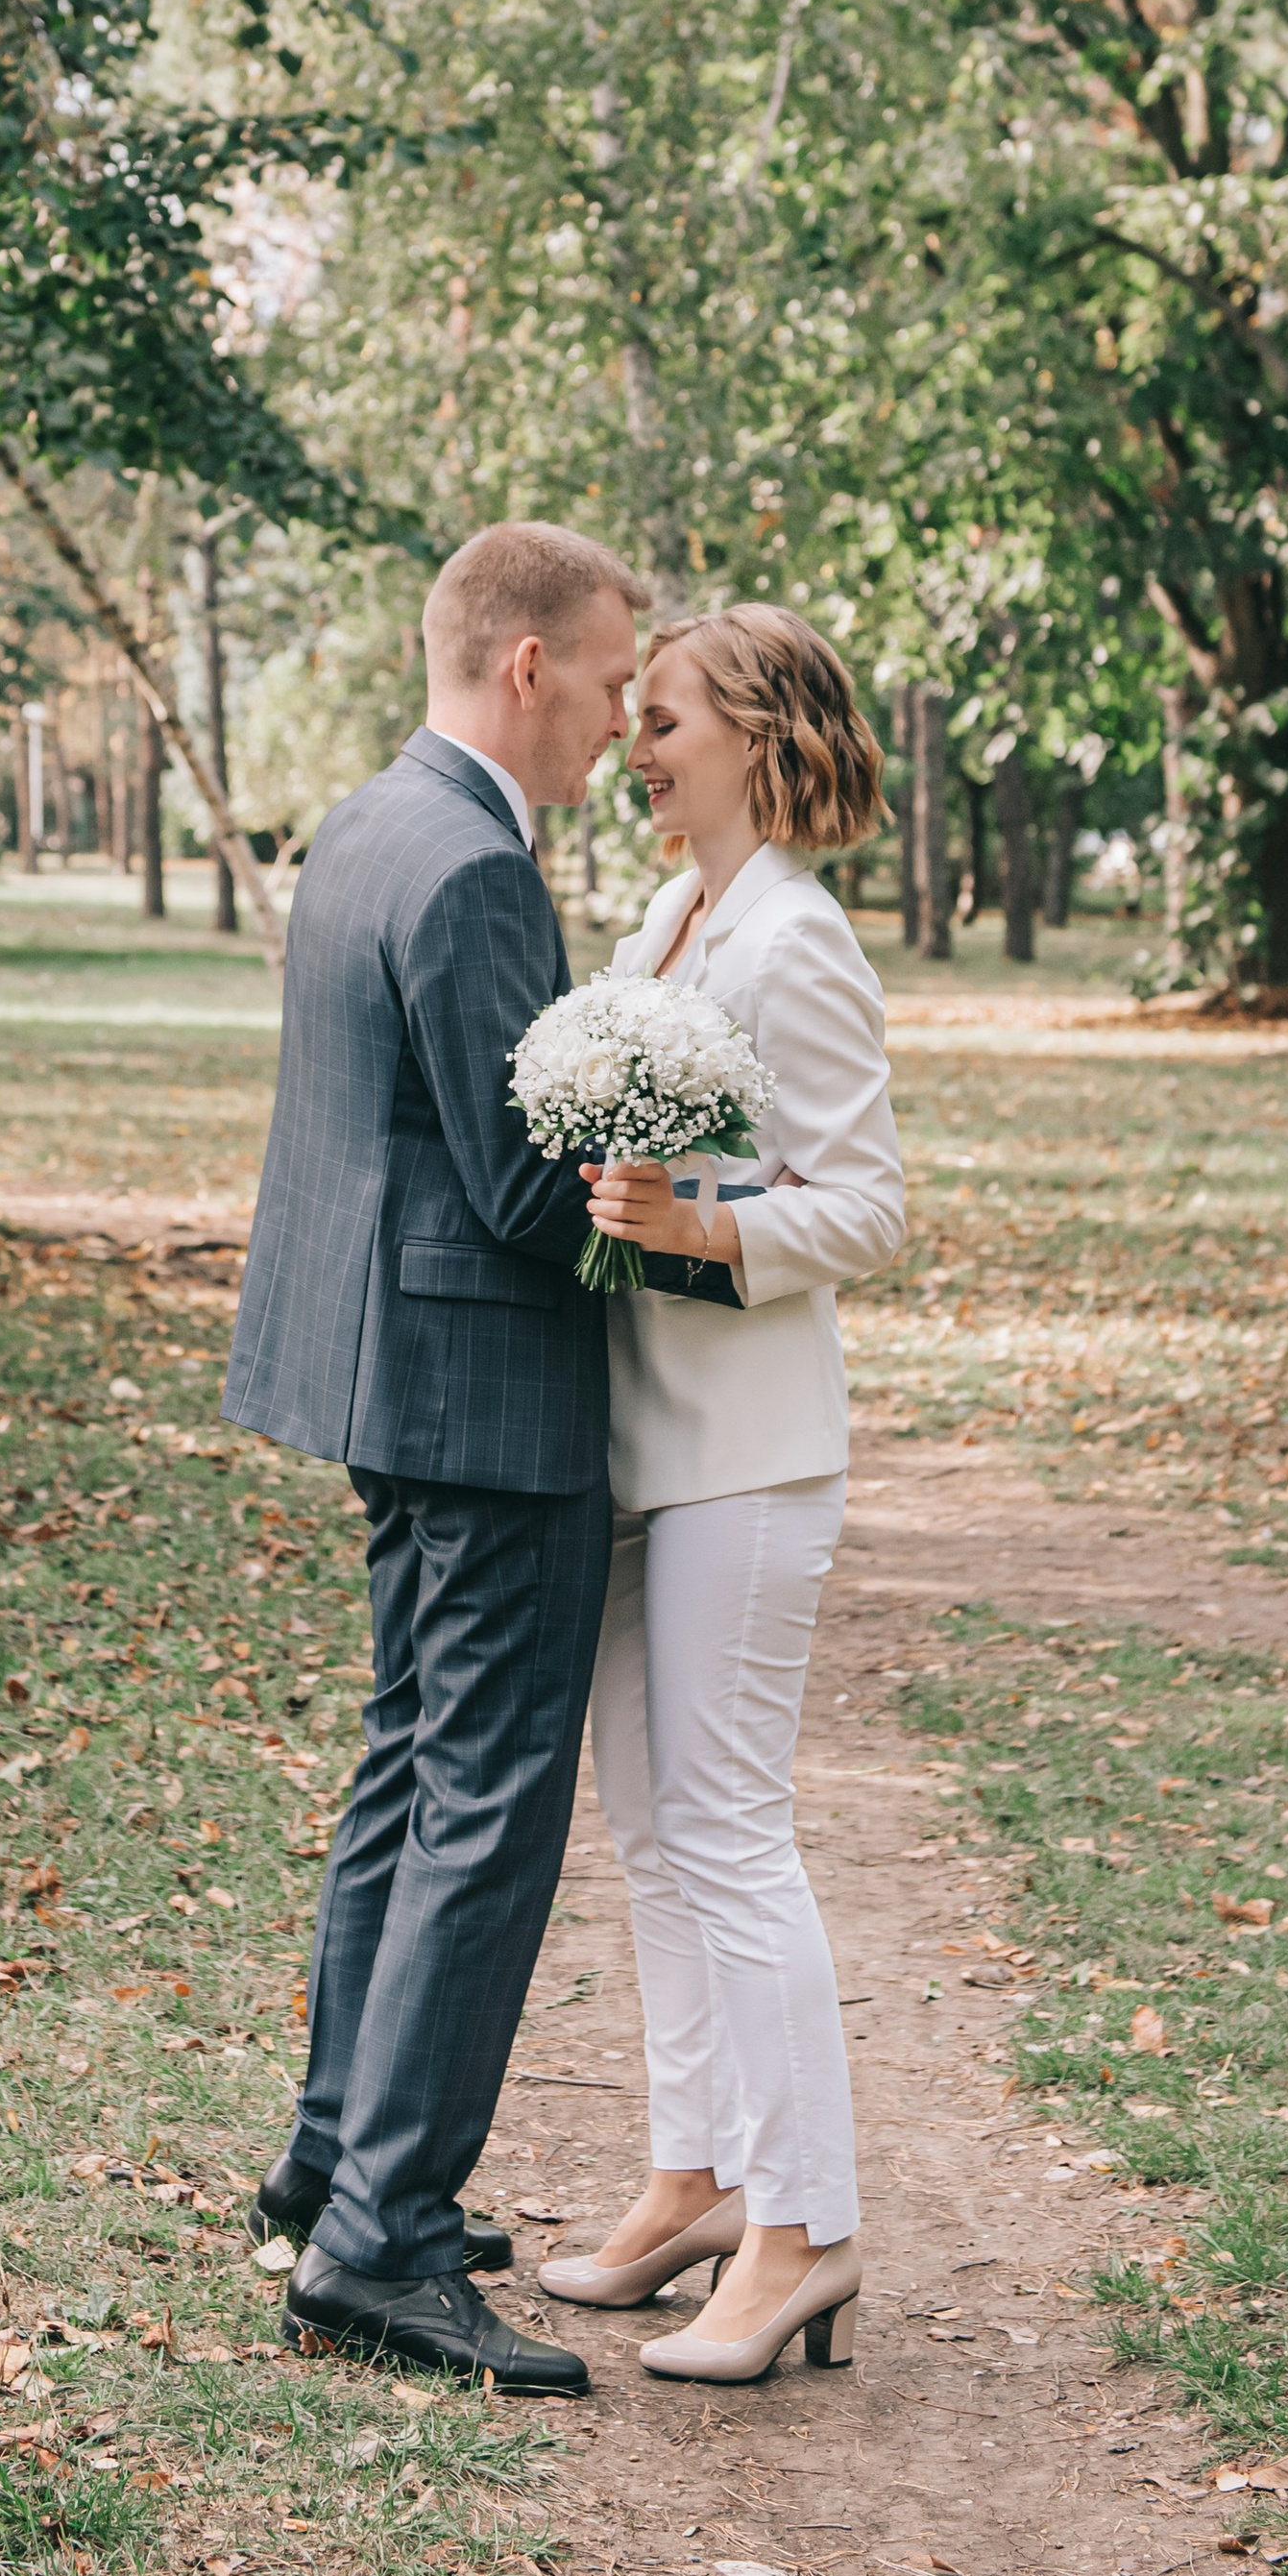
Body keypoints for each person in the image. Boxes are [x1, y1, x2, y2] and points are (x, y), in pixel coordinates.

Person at [222, 520, 644, 2394]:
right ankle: (379, 2243)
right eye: (616, 681)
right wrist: (707, 1225)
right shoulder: (473, 862)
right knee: (484, 1791)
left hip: (380, 1377)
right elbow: (519, 1183)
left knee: (406, 1762)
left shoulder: (366, 819)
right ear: (528, 666)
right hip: (480, 1405)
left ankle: (334, 2154)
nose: (625, 722)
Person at [536, 604, 903, 2384]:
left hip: (747, 1452)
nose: (635, 741)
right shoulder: (666, 919)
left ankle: (805, 2226)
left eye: (663, 716)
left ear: (754, 731)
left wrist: (708, 1229)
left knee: (734, 1831)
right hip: (633, 1440)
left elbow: (872, 1208)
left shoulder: (797, 945)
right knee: (656, 1832)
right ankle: (693, 2173)